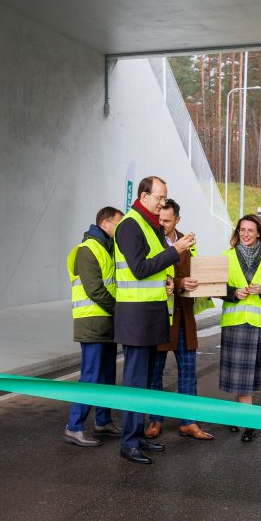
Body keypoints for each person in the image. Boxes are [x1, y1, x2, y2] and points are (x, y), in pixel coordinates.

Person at [114, 176, 195, 464]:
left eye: (164, 199)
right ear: (144, 196)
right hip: (136, 317)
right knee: (135, 382)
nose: (163, 204)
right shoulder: (130, 226)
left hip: (148, 315)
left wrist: (171, 280)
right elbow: (139, 269)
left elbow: (155, 270)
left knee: (144, 381)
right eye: (160, 198)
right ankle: (129, 443)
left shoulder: (148, 226)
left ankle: (136, 438)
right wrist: (175, 251)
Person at [145, 198, 213, 441]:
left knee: (188, 370)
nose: (162, 224)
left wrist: (199, 282)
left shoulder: (189, 241)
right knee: (156, 371)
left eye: (167, 220)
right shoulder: (151, 240)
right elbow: (151, 272)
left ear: (177, 220)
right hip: (160, 316)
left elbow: (195, 270)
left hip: (183, 314)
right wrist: (180, 281)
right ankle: (155, 419)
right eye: (159, 220)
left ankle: (188, 421)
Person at [219, 214, 261, 442]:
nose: (245, 234)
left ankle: (242, 417)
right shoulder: (226, 257)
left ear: (259, 233)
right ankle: (248, 421)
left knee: (248, 377)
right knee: (242, 377)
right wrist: (234, 293)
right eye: (241, 230)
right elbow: (218, 289)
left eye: (250, 230)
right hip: (235, 323)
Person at [63, 206, 124, 447]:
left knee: (107, 375)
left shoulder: (107, 249)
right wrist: (121, 309)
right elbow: (95, 290)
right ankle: (74, 427)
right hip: (92, 323)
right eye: (118, 224)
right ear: (105, 223)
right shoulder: (87, 250)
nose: (120, 229)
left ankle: (103, 421)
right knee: (90, 376)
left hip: (106, 322)